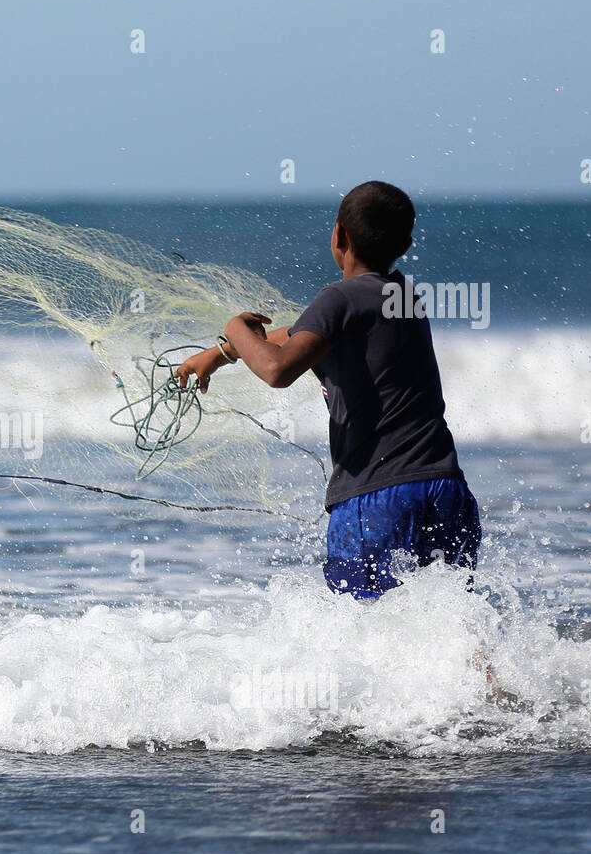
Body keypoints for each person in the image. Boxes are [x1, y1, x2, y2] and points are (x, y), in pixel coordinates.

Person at [174, 181, 481, 601]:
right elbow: (306, 333)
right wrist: (223, 353)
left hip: (377, 500)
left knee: (364, 630)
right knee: (455, 628)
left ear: (339, 235)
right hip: (445, 491)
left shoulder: (337, 298)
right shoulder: (405, 297)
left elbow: (276, 368)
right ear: (406, 244)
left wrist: (234, 327)